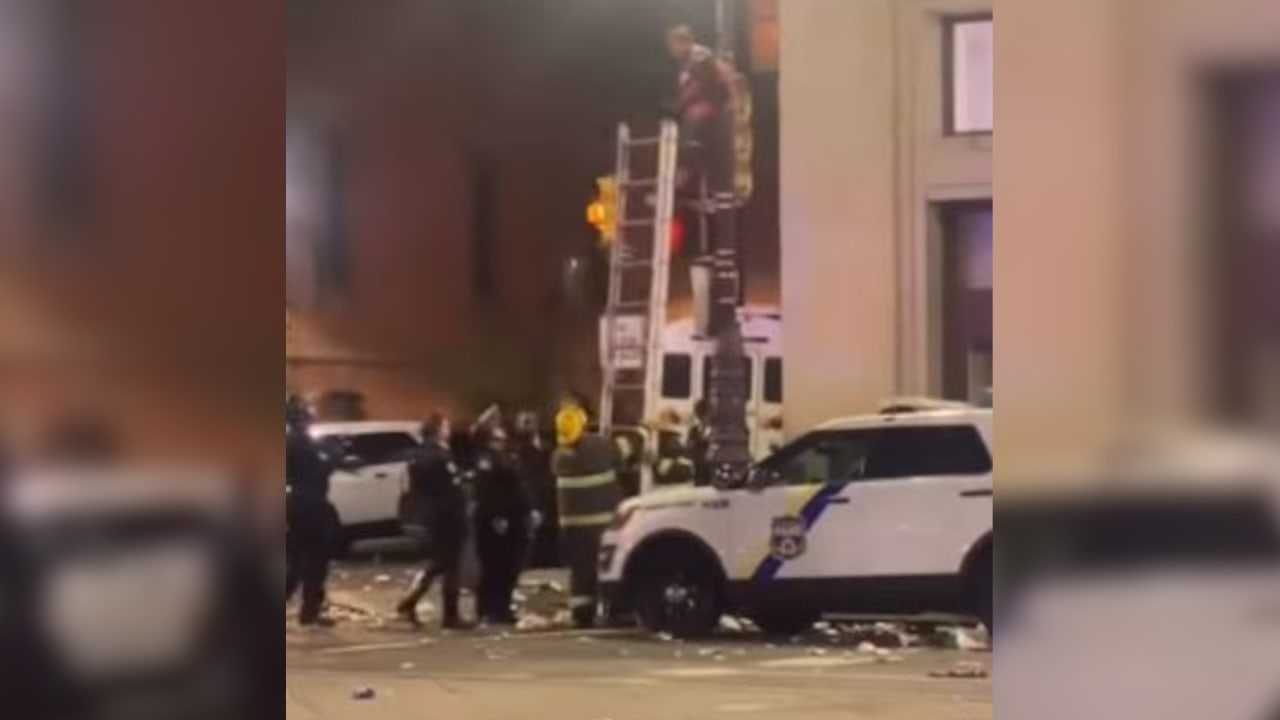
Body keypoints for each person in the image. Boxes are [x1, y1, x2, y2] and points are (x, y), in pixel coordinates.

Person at [395, 413, 473, 630]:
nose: (448, 430)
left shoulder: (418, 455)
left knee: (439, 562)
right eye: (445, 426)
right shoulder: (439, 455)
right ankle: (450, 615)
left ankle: (410, 602)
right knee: (451, 566)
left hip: (433, 515)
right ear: (438, 429)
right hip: (448, 515)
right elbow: (451, 486)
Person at [550, 398, 623, 628]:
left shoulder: (559, 457)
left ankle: (582, 614)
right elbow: (623, 454)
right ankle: (616, 612)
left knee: (580, 572)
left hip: (572, 528)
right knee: (610, 567)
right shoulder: (600, 446)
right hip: (603, 524)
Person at [284, 395, 345, 626]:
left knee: (298, 558)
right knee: (315, 559)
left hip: (298, 503)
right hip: (311, 505)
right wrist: (335, 456)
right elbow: (319, 470)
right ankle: (310, 610)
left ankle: (307, 607)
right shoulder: (302, 442)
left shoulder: (290, 441)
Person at [472, 425, 533, 625]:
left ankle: (501, 609)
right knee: (495, 568)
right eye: (497, 439)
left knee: (508, 568)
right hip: (497, 522)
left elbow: (519, 487)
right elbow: (488, 491)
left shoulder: (506, 457)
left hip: (513, 519)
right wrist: (497, 516)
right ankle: (490, 610)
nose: (501, 442)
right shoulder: (487, 460)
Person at [514, 411, 557, 567]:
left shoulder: (546, 446)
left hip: (547, 499)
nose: (528, 426)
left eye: (530, 422)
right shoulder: (520, 450)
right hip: (532, 500)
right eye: (525, 423)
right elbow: (527, 478)